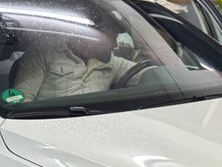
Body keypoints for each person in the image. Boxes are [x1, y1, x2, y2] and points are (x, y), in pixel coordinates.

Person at [9, 6, 140, 102]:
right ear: (95, 35)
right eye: (113, 38)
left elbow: (145, 73)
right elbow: (19, 99)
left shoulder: (111, 62)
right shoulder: (44, 51)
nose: (115, 45)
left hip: (97, 124)